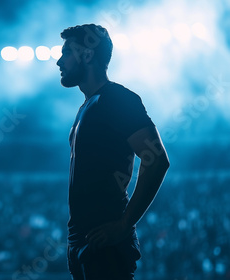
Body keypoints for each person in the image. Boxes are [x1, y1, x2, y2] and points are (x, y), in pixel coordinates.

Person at [56, 24, 170, 280]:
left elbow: (157, 160)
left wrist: (123, 224)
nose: (58, 61)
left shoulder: (116, 99)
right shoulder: (88, 105)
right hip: (85, 243)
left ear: (87, 55)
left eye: (66, 52)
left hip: (104, 244)